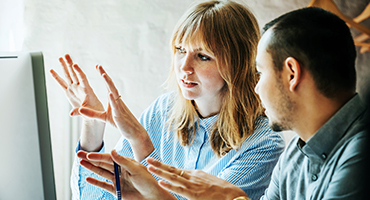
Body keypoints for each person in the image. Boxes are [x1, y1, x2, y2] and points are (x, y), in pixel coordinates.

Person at [50, 1, 285, 200]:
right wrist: (93, 126)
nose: (184, 67)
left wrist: (141, 142)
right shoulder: (163, 110)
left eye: (203, 56)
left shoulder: (264, 142)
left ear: (238, 64)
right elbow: (97, 197)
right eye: (180, 50)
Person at [127, 6, 368, 200]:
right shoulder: (296, 155)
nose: (256, 87)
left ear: (292, 74)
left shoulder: (361, 153)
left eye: (260, 73)